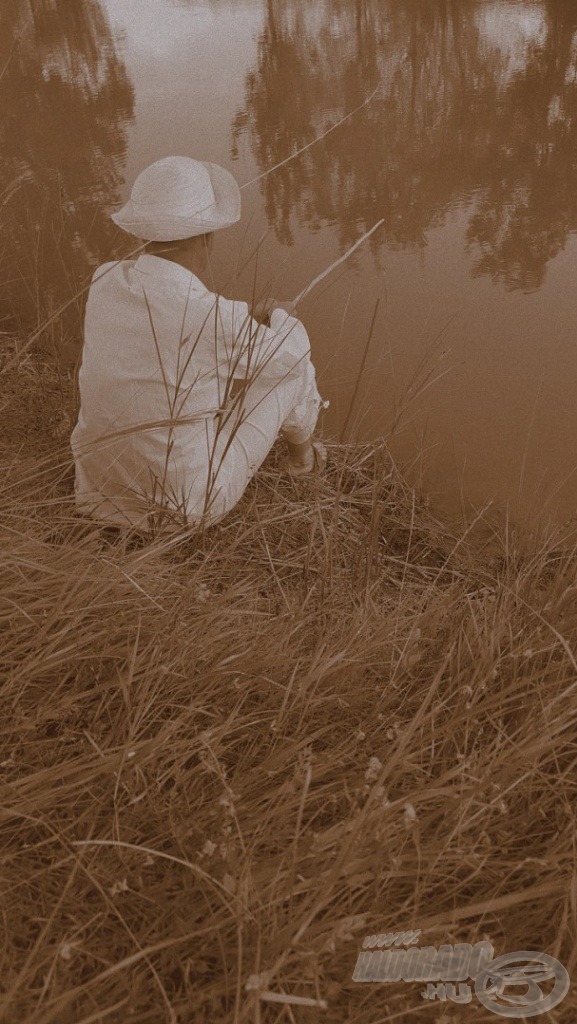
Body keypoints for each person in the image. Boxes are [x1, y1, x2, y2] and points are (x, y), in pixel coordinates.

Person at [70, 156, 329, 534]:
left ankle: (301, 460)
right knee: (292, 365)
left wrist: (242, 319)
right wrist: (281, 318)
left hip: (96, 491)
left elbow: (176, 315)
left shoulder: (104, 280)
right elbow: (289, 357)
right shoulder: (213, 318)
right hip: (185, 507)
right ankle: (303, 462)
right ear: (207, 237)